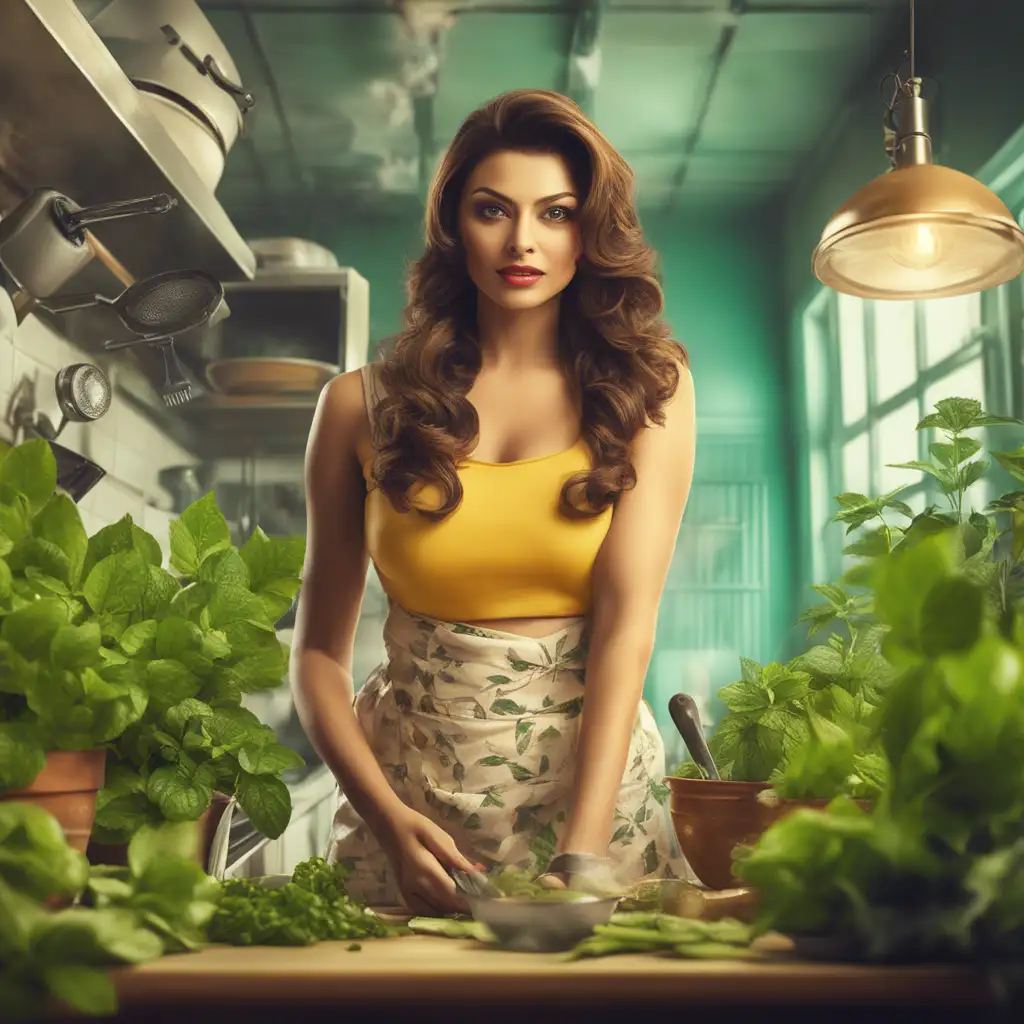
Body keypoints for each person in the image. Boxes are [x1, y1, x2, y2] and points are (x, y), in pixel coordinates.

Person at [291, 89, 696, 916]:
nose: (523, 241)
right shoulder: (354, 408)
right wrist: (388, 818)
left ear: (589, 232)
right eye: (492, 210)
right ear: (453, 226)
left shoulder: (649, 390)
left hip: (596, 807)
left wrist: (583, 851)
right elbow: (317, 660)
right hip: (408, 811)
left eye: (556, 213)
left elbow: (626, 628)